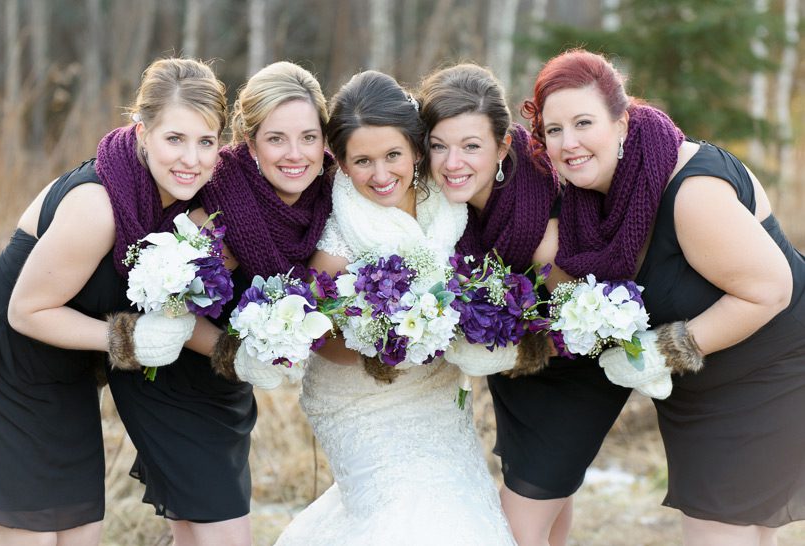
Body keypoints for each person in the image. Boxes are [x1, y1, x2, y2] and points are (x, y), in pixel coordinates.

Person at [526, 48, 805, 546]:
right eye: (553, 130)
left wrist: (656, 352)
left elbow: (771, 289)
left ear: (622, 123)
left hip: (773, 372)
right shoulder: (587, 204)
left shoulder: (688, 189)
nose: (568, 143)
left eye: (584, 123)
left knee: (717, 533)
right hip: (703, 391)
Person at [0, 58, 227, 546]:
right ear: (141, 133)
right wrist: (128, 339)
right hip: (5, 362)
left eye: (206, 142)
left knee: (82, 532)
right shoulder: (98, 204)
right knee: (33, 534)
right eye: (174, 139)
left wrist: (235, 353)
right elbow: (24, 311)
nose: (192, 158)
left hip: (65, 372)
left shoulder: (177, 205)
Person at [273, 70, 516, 545]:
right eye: (362, 161)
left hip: (439, 397)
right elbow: (322, 340)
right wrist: (384, 341)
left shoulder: (447, 200)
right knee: (405, 518)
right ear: (339, 162)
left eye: (393, 156)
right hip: (358, 399)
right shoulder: (338, 230)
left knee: (457, 513)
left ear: (417, 150)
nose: (381, 175)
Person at [106, 61, 333, 546]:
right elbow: (169, 307)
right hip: (176, 378)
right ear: (248, 143)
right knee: (226, 533)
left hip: (226, 390)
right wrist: (241, 355)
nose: (295, 154)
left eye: (309, 137)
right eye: (276, 139)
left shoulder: (328, 198)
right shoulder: (216, 204)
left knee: (196, 531)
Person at [417, 63, 631, 546]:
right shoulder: (449, 209)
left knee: (513, 530)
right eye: (438, 146)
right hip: (516, 377)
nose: (453, 162)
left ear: (502, 148)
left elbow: (589, 317)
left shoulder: (539, 220)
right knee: (549, 519)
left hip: (573, 376)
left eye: (471, 146)